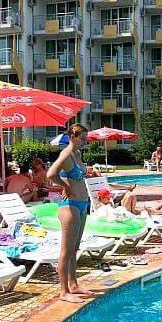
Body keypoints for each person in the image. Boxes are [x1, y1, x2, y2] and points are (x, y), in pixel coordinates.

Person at [47, 124, 92, 303]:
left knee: (75, 248)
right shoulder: (66, 154)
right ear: (72, 137)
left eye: (86, 139)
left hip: (82, 204)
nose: (85, 142)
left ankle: (73, 284)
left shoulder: (77, 154)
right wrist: (65, 186)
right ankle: (63, 291)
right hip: (70, 206)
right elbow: (51, 174)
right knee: (66, 251)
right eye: (82, 139)